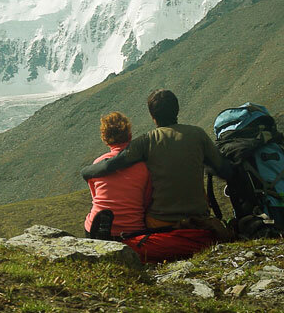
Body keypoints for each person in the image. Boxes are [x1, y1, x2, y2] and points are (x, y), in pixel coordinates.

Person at [82, 90, 233, 261]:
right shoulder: (198, 134)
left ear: (152, 116)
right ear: (177, 110)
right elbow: (223, 169)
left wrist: (86, 172)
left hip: (159, 224)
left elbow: (113, 164)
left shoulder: (146, 141)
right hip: (199, 218)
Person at [84, 112, 152, 238]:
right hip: (132, 231)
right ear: (130, 136)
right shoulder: (143, 167)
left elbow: (95, 197)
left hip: (96, 229)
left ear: (105, 139)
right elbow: (146, 202)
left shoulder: (97, 165)